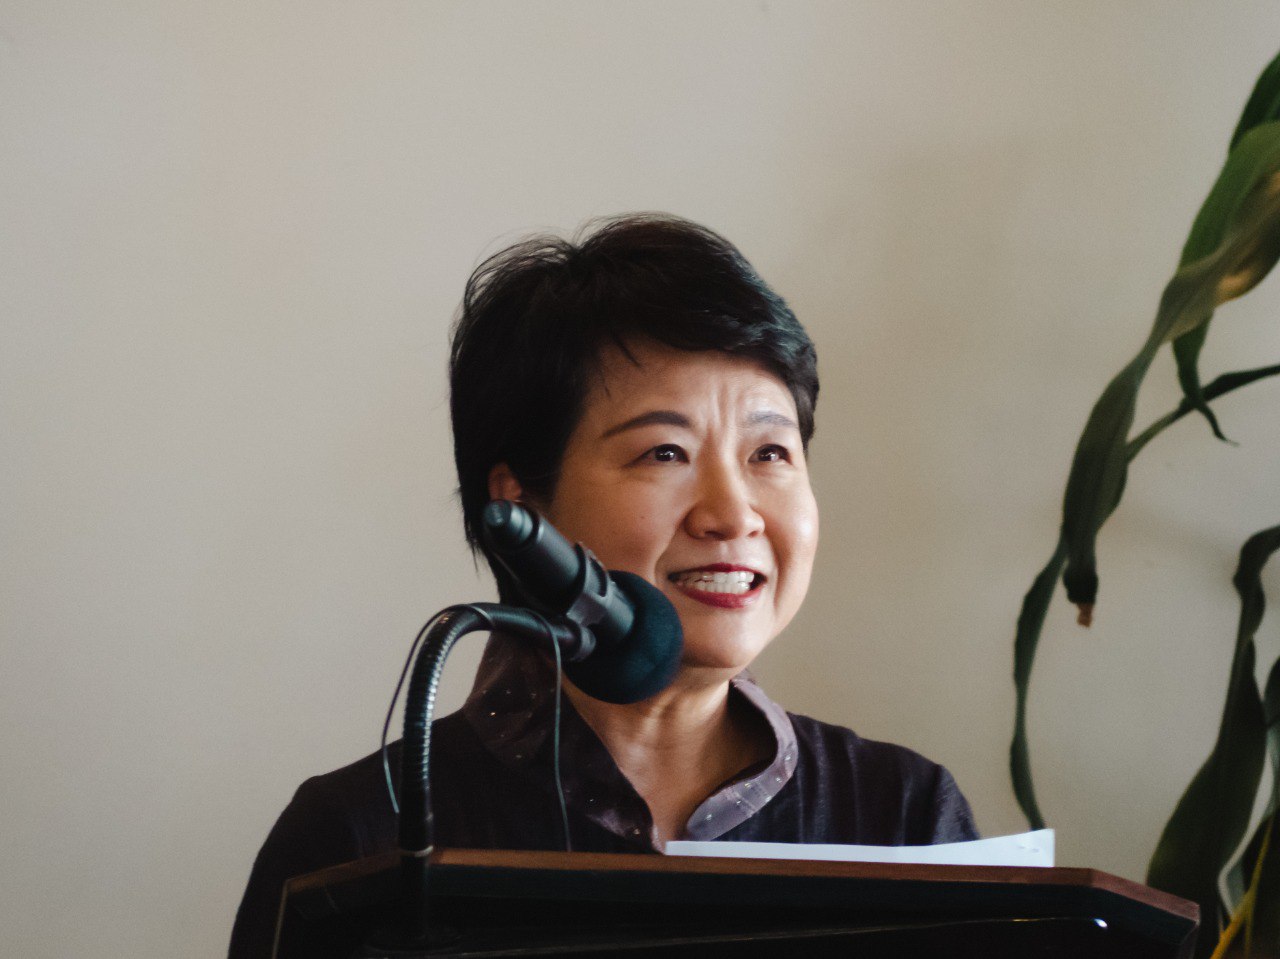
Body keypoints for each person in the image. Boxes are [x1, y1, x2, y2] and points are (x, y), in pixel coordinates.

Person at [229, 214, 977, 958]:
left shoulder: (904, 817)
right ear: (521, 506)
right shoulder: (356, 838)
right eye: (665, 452)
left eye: (770, 453)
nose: (732, 514)